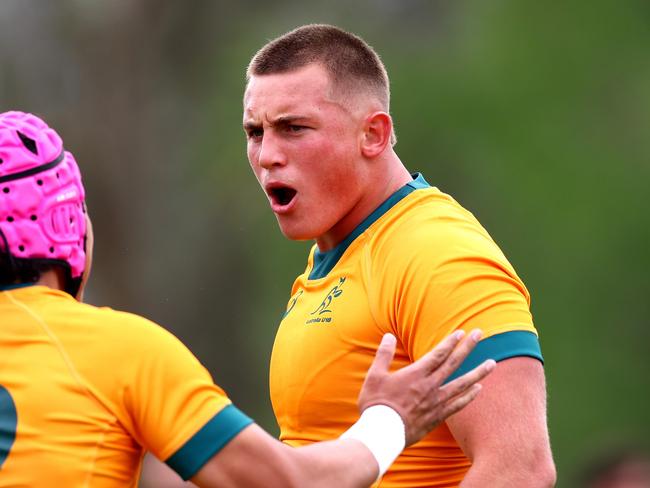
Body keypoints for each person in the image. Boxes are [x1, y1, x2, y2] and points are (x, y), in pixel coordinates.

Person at [0, 110, 494, 487]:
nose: (267, 154)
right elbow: (288, 483)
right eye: (256, 133)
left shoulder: (426, 247)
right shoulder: (115, 352)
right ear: (69, 229)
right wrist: (390, 420)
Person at [243, 24, 557, 487]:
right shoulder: (338, 253)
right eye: (255, 131)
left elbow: (521, 469)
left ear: (373, 134)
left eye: (294, 128)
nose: (268, 154)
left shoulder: (437, 252)